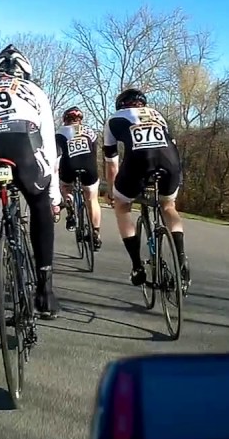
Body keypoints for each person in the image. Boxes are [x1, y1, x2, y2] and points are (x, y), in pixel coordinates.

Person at [0, 45, 62, 325]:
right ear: (25, 72)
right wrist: (52, 197)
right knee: (40, 202)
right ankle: (44, 290)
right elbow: (49, 147)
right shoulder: (33, 90)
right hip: (20, 141)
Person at [102, 88, 191, 290]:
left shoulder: (114, 119)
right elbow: (172, 144)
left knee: (122, 207)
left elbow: (111, 162)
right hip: (170, 161)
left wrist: (111, 189)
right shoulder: (157, 115)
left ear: (121, 105)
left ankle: (137, 266)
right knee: (168, 206)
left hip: (138, 163)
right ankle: (181, 260)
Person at [55, 106, 104, 250]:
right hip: (89, 167)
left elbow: (56, 154)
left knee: (65, 187)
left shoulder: (60, 132)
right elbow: (95, 152)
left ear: (65, 120)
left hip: (69, 167)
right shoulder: (90, 131)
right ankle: (96, 233)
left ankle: (70, 209)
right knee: (92, 199)